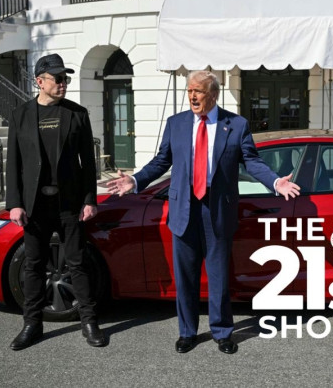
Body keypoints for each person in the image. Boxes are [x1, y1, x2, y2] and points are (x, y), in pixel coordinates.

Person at [107, 71, 300, 354]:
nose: (192, 96)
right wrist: (136, 180)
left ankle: (222, 332)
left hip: (217, 209)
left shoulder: (235, 124)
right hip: (184, 208)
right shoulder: (177, 124)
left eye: (198, 91)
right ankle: (187, 332)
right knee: (185, 276)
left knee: (219, 275)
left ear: (213, 94)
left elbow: (251, 161)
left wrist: (274, 181)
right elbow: (161, 161)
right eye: (189, 91)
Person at [6, 53, 106, 350]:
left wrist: (90, 199)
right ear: (40, 81)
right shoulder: (21, 115)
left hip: (70, 203)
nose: (64, 83)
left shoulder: (77, 114)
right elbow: (14, 163)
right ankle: (32, 324)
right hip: (34, 205)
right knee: (34, 265)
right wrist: (14, 202)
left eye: (66, 78)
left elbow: (89, 163)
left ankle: (89, 322)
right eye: (58, 78)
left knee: (78, 263)